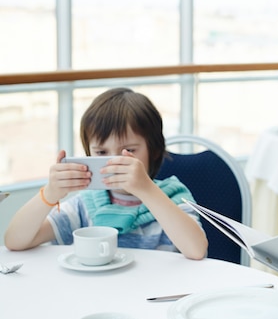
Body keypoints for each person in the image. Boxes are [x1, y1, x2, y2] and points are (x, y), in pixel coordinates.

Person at [4, 87, 208, 260]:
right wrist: (50, 193)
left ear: (153, 150)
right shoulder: (87, 204)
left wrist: (146, 189)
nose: (114, 161)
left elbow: (197, 250)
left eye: (129, 150)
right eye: (101, 153)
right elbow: (15, 241)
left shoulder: (172, 197)